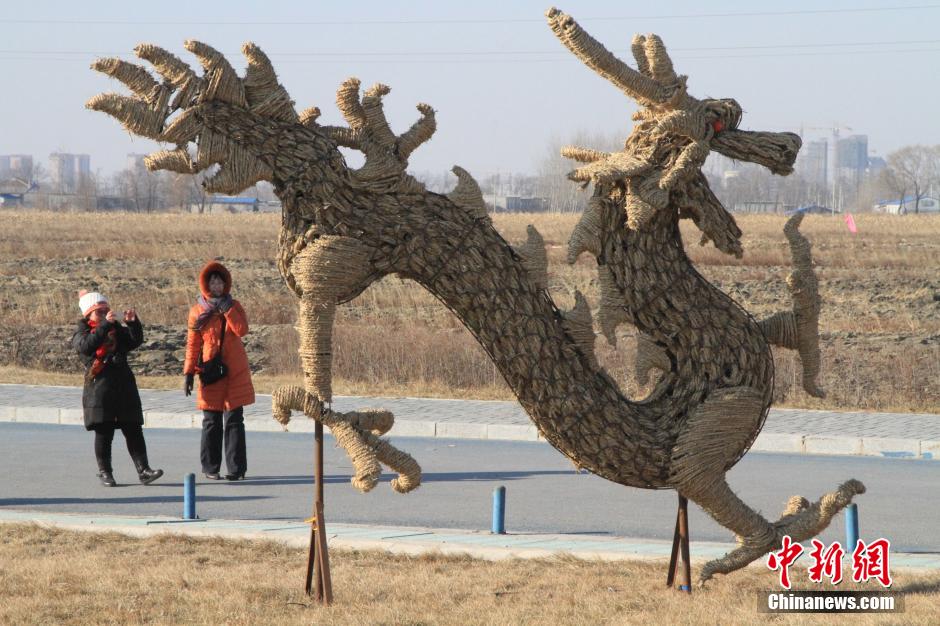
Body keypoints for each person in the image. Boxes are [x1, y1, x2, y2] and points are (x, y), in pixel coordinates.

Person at [72, 290, 163, 487]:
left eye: (106, 310)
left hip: (123, 386)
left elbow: (133, 341)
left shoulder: (115, 330)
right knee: (104, 432)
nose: (105, 314)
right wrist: (105, 325)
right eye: (99, 312)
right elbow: (87, 346)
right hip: (99, 389)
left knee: (133, 429)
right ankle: (105, 472)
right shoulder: (82, 333)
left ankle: (144, 470)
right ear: (88, 315)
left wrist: (132, 323)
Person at [183, 261, 255, 481]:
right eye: (213, 281)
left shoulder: (234, 305)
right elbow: (193, 343)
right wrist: (188, 373)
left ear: (226, 284)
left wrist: (228, 311)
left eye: (220, 281)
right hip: (211, 371)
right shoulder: (197, 311)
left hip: (235, 371)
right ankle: (210, 467)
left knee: (234, 419)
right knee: (211, 420)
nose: (217, 285)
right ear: (206, 284)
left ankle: (236, 469)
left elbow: (242, 330)